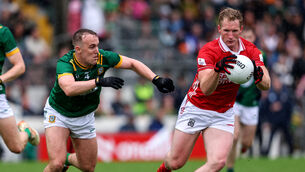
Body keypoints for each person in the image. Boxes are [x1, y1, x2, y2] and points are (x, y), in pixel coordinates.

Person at [43, 28, 174, 172]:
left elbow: (132, 63)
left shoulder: (102, 57)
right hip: (59, 113)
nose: (96, 50)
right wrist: (98, 81)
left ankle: (67, 158)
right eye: (91, 47)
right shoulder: (65, 62)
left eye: (97, 45)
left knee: (88, 167)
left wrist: (155, 79)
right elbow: (69, 88)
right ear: (78, 49)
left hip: (84, 116)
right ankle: (62, 159)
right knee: (56, 164)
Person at [157, 7, 270, 172]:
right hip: (196, 107)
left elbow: (266, 83)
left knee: (217, 162)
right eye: (226, 31)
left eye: (234, 31)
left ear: (241, 30)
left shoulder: (251, 50)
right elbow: (206, 89)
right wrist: (218, 69)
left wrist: (260, 76)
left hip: (222, 113)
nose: (230, 36)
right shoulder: (208, 50)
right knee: (175, 163)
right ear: (219, 29)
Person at [226, 27, 267, 172]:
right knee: (234, 135)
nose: (247, 39)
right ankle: (230, 168)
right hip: (236, 102)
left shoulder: (260, 55)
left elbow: (264, 79)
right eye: (245, 37)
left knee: (247, 143)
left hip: (252, 104)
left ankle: (244, 147)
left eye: (250, 36)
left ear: (254, 37)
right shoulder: (234, 55)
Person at [0, 24, 40, 154]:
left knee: (16, 147)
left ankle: (26, 131)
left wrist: (1, 79)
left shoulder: (3, 32)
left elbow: (20, 66)